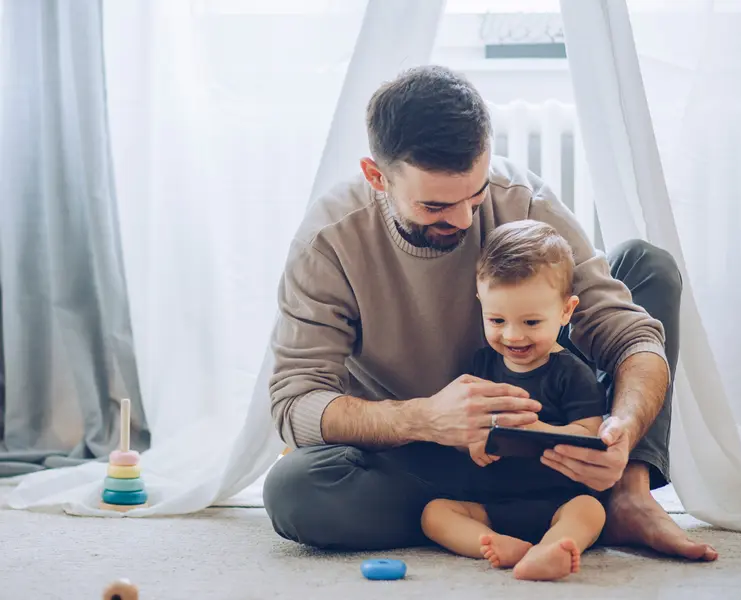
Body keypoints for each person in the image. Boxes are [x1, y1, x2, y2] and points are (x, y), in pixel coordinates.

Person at [263, 64, 717, 562]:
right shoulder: (329, 241)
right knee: (295, 491)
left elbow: (628, 335)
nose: (463, 220)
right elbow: (295, 402)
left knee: (648, 267)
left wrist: (621, 431)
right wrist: (424, 418)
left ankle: (626, 494)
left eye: (475, 195)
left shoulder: (523, 201)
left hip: (551, 448)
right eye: (435, 207)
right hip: (424, 458)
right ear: (377, 177)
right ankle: (530, 514)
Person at [420, 220, 607, 581]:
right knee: (435, 513)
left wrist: (540, 431)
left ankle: (553, 547)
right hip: (490, 503)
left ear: (566, 311)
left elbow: (590, 435)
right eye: (497, 319)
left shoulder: (571, 372)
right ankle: (497, 544)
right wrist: (471, 441)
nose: (512, 335)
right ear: (481, 305)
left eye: (531, 322)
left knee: (590, 510)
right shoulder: (481, 365)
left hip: (557, 500)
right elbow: (460, 424)